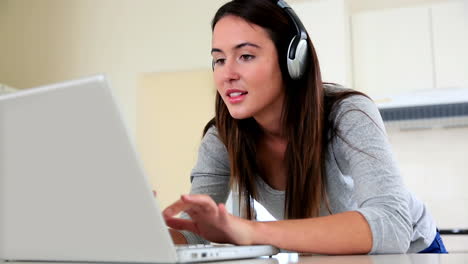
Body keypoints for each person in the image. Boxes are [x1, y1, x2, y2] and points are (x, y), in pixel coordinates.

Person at [161, 0, 447, 254]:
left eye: (246, 56)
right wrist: (145, 231)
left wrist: (248, 231)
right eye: (219, 60)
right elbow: (192, 231)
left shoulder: (347, 113)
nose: (227, 74)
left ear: (293, 60)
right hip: (331, 255)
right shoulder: (222, 137)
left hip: (413, 250)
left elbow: (392, 227)